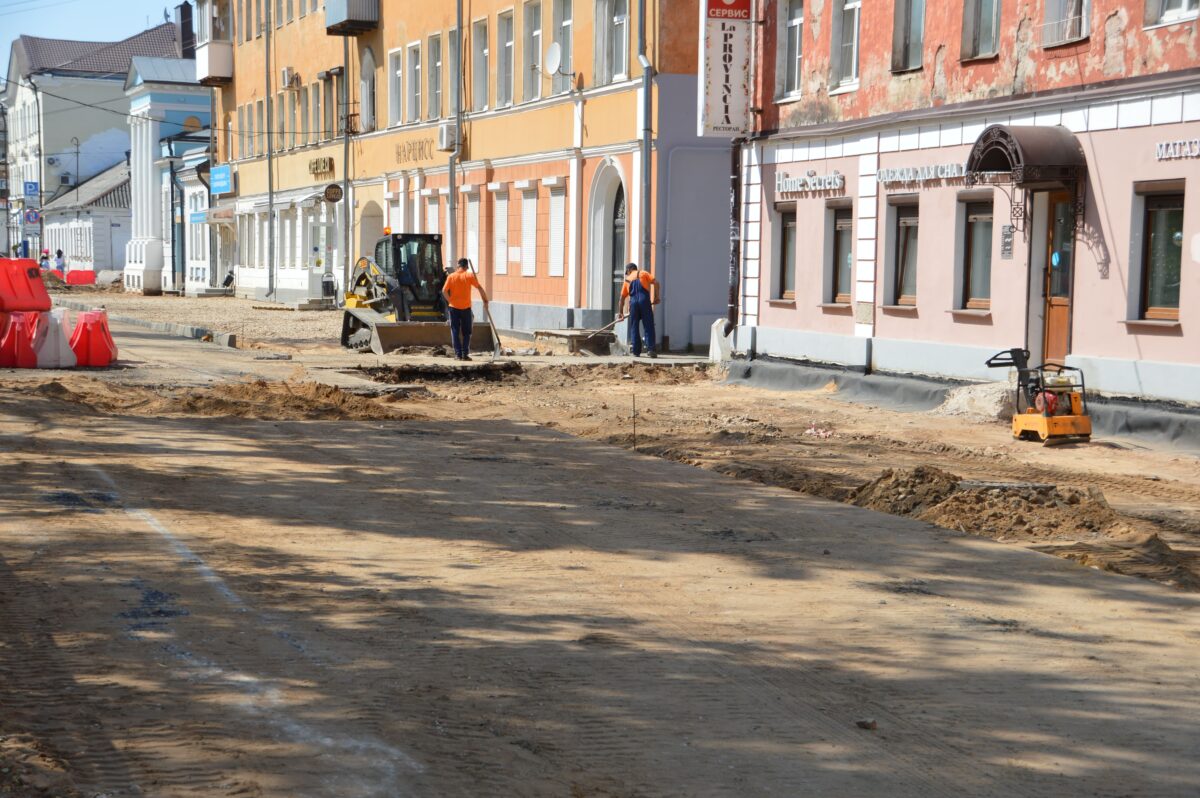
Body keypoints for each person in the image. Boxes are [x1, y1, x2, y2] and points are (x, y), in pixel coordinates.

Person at [441, 258, 490, 361]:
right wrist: (485, 301)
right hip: (466, 308)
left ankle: (458, 355)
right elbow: (480, 288)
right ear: (466, 267)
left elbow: (444, 291)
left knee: (455, 331)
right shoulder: (469, 275)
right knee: (467, 332)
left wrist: (450, 301)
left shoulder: (451, 276)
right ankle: (465, 354)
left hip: (453, 308)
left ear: (458, 266)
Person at [618, 263, 660, 358]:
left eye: (627, 272)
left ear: (629, 270)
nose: (627, 274)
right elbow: (656, 283)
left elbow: (621, 299)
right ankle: (651, 349)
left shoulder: (627, 280)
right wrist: (656, 297)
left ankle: (636, 351)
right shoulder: (643, 273)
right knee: (648, 325)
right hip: (645, 302)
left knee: (634, 326)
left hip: (633, 304)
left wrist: (620, 312)